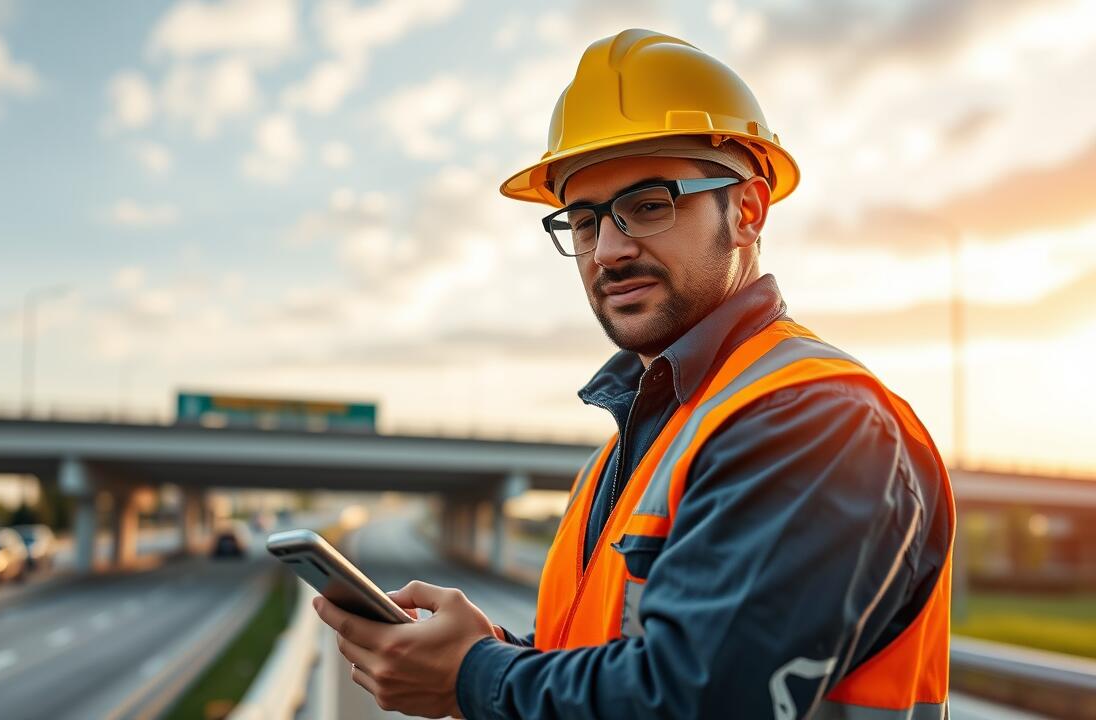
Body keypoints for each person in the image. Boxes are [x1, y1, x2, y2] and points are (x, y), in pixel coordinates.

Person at [313, 28, 955, 719]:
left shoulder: (814, 419)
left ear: (746, 211)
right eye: (584, 222)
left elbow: (694, 697)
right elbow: (611, 657)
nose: (609, 251)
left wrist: (477, 676)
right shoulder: (627, 453)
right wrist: (494, 650)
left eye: (648, 204)